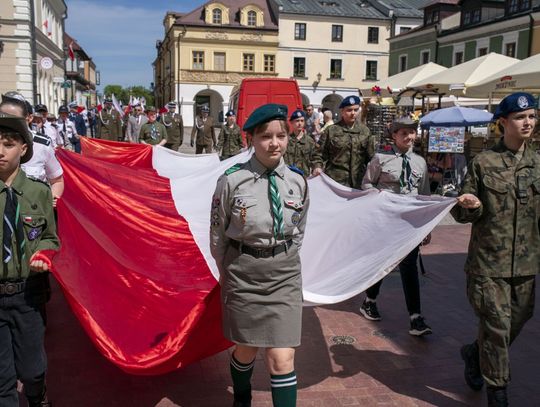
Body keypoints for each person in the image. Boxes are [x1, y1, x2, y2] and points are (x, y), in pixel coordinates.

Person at [210, 103, 309, 407]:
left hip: (284, 275)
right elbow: (218, 235)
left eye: (282, 135)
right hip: (243, 273)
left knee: (282, 357)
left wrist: (282, 255)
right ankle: (242, 396)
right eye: (266, 136)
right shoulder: (231, 180)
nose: (275, 143)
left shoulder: (297, 180)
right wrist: (229, 271)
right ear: (250, 139)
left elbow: (299, 229)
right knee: (246, 349)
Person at [451, 92, 539, 407]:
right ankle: (497, 393)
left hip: (527, 263)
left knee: (517, 320)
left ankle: (475, 353)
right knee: (497, 328)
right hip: (488, 264)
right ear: (503, 123)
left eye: (531, 116)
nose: (528, 122)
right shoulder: (483, 162)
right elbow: (461, 210)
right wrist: (470, 205)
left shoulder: (538, 162)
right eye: (520, 117)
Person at [0, 112, 60, 407]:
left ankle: (38, 397)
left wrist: (45, 253)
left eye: (8, 144)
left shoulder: (38, 192)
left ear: (23, 148)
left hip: (28, 295)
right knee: (3, 381)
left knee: (33, 371)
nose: (0, 151)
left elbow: (50, 236)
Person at [360, 117, 432, 336]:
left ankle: (416, 317)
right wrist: (377, 194)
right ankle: (369, 301)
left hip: (409, 223)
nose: (409, 137)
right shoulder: (380, 159)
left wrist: (427, 227)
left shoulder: (420, 162)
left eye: (412, 132)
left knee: (408, 266)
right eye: (404, 133)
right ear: (394, 136)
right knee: (383, 263)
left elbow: (424, 195)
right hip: (386, 221)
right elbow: (366, 183)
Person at [0, 93, 64, 206]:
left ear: (29, 118)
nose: (8, 123)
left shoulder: (42, 145)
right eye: (3, 116)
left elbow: (57, 180)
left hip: (33, 212)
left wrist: (50, 201)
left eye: (14, 119)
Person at [312, 95, 376, 188]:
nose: (353, 113)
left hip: (358, 182)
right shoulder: (331, 130)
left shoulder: (365, 131)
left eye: (356, 110)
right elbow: (318, 154)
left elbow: (371, 158)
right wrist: (317, 166)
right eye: (349, 110)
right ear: (342, 111)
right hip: (335, 182)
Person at [283, 109, 317, 177]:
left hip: (304, 177)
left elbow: (315, 157)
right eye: (297, 121)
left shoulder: (309, 141)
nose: (300, 123)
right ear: (291, 122)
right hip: (288, 176)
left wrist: (317, 167)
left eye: (302, 121)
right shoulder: (286, 140)